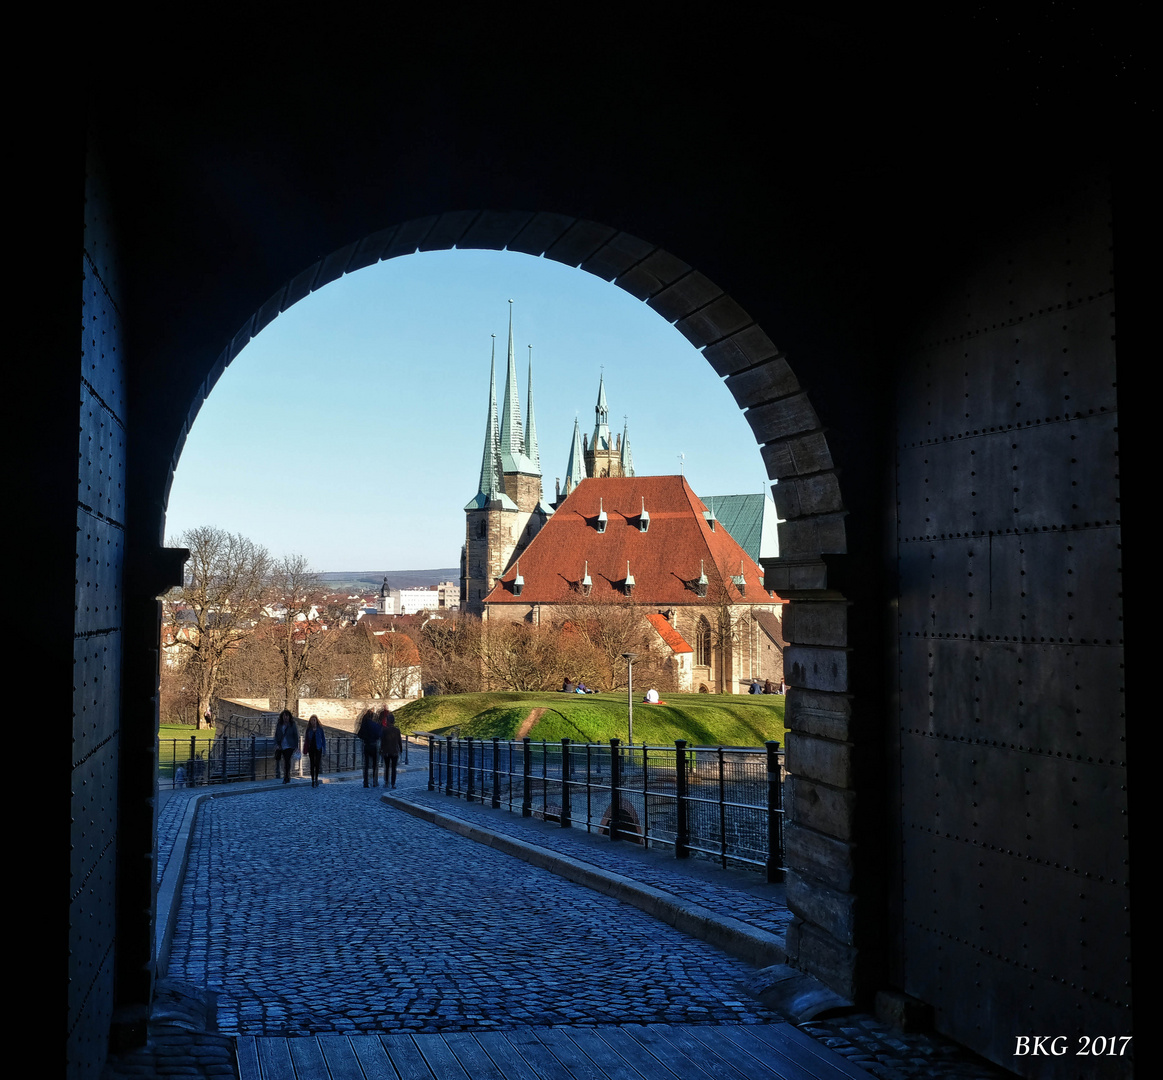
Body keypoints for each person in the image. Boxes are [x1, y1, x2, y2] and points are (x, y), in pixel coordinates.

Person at [357, 709, 382, 787]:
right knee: (375, 765)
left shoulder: (364, 725)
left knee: (366, 765)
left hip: (366, 745)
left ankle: (366, 782)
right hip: (374, 745)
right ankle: (374, 781)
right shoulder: (375, 725)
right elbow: (379, 735)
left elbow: (359, 735)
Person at [274, 709, 299, 784]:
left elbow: (296, 735)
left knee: (287, 761)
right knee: (282, 761)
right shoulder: (279, 724)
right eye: (284, 716)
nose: (285, 717)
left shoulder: (292, 724)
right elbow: (276, 734)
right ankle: (286, 776)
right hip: (281, 745)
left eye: (287, 716)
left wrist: (296, 746)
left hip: (289, 746)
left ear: (289, 717)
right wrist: (276, 744)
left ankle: (286, 777)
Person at [380, 710, 403, 789]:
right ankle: (393, 783)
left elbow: (382, 741)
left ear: (388, 721)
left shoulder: (385, 730)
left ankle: (386, 782)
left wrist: (381, 750)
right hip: (394, 751)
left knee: (386, 768)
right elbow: (399, 741)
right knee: (393, 768)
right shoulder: (397, 730)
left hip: (386, 751)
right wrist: (400, 749)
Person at [303, 715, 326, 788]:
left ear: (316, 721)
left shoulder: (320, 729)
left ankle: (316, 778)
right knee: (312, 764)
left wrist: (324, 748)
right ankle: (313, 779)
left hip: (318, 748)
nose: (313, 722)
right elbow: (306, 739)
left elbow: (323, 739)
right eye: (311, 720)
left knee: (317, 764)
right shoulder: (309, 730)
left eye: (314, 720)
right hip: (311, 748)